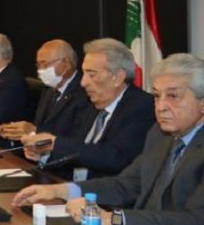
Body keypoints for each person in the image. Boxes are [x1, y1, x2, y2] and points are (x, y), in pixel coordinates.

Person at [13, 53, 204, 225]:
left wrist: (113, 219)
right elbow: (127, 185)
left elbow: (195, 222)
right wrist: (60, 191)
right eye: (156, 96)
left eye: (173, 96)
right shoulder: (160, 134)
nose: (161, 107)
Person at [20, 38, 155, 179]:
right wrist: (43, 154)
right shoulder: (91, 103)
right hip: (71, 185)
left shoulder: (141, 107)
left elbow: (115, 157)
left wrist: (55, 144)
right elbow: (76, 148)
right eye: (84, 74)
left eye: (92, 74)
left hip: (105, 191)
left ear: (118, 77)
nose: (83, 82)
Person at [0, 39, 90, 142]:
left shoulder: (85, 93)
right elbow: (39, 124)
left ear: (66, 64)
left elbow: (73, 141)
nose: (40, 70)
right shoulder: (49, 89)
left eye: (45, 65)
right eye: (38, 65)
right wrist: (11, 129)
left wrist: (35, 131)